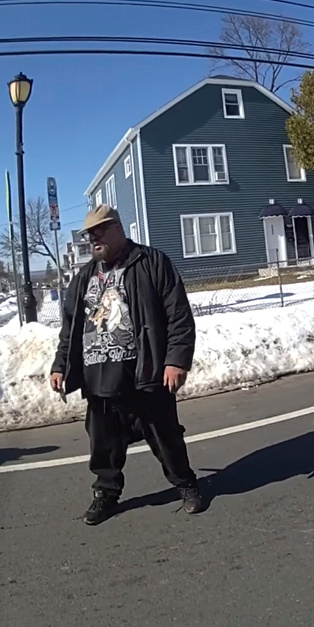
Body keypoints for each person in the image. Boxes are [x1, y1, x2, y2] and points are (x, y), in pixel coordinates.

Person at [50, 205, 207, 525]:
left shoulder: (151, 262)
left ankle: (186, 483)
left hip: (145, 372)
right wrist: (60, 365)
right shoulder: (83, 278)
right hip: (98, 376)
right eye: (89, 235)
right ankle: (105, 494)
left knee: (165, 436)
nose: (94, 239)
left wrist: (175, 360)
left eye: (100, 231)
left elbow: (178, 316)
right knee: (103, 443)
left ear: (118, 228)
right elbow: (71, 328)